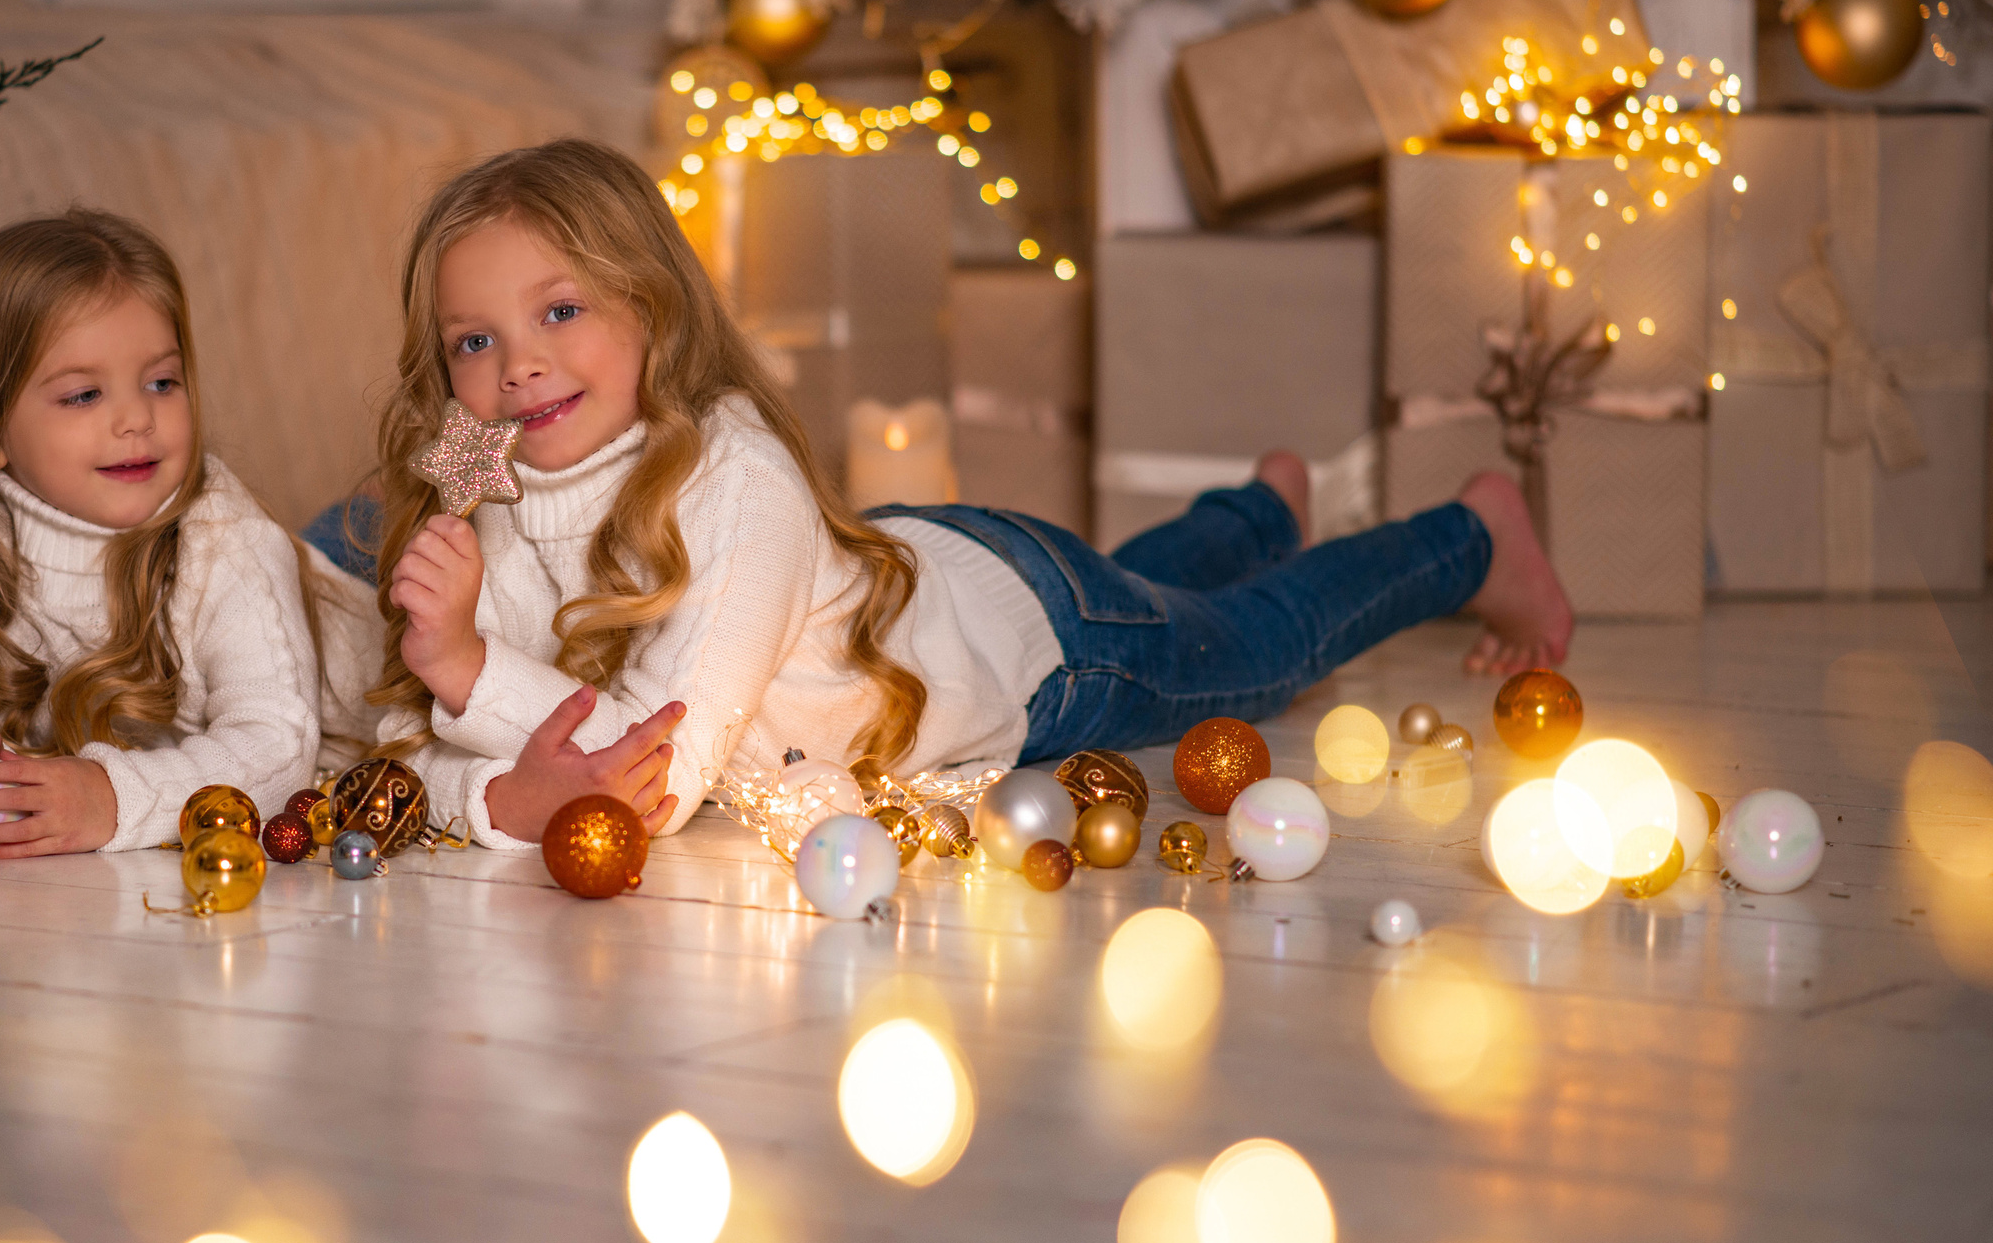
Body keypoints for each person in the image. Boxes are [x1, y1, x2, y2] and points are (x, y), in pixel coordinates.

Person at [349, 139, 1572, 851]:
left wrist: (470, 678)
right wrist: (486, 752)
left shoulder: (734, 475)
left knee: (1257, 644)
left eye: (559, 310)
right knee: (1158, 585)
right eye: (471, 341)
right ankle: (1253, 511)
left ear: (650, 308)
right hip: (911, 570)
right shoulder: (491, 483)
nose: (515, 365)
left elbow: (656, 778)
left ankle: (1471, 533)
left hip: (1024, 648)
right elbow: (396, 744)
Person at [0, 209, 344, 856]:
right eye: (85, 394)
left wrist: (111, 796)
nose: (137, 417)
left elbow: (280, 748)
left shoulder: (232, 545)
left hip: (367, 609)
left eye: (162, 382)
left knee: (369, 534)